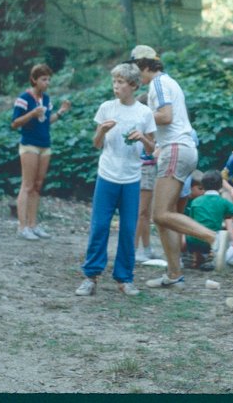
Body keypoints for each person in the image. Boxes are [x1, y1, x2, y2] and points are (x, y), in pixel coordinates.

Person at [125, 45, 218, 288]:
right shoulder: (167, 83)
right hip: (177, 149)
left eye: (136, 69)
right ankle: (174, 274)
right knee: (163, 218)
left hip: (176, 149)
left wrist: (139, 114)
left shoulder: (157, 84)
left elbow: (165, 116)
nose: (135, 76)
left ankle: (214, 238)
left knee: (160, 214)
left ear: (145, 66)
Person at [75, 63, 157, 297]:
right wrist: (101, 130)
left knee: (128, 229)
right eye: (114, 82)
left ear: (132, 85)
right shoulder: (106, 108)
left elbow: (152, 150)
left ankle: (125, 278)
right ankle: (91, 277)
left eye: (120, 83)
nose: (116, 86)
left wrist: (143, 138)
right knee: (100, 226)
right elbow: (96, 144)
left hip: (132, 178)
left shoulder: (144, 113)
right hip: (107, 175)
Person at [13, 63, 72, 239]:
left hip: (45, 145)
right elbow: (14, 123)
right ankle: (22, 227)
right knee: (27, 185)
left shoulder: (46, 99)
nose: (47, 83)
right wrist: (31, 113)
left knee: (38, 186)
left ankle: (33, 225)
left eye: (49, 79)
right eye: (44, 79)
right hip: (29, 145)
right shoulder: (23, 98)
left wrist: (61, 112)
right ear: (34, 80)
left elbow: (46, 121)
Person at [134, 97, 159, 263]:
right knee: (141, 212)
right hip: (143, 168)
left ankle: (147, 248)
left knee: (146, 212)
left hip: (149, 168)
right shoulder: (142, 122)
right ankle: (134, 250)